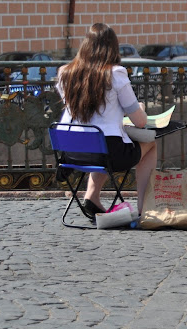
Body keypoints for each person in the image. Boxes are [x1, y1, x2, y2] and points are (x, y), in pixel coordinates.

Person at [56, 23, 157, 219]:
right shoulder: (116, 74)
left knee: (100, 142)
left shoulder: (64, 73)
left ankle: (92, 197)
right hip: (106, 152)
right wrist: (141, 110)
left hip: (71, 151)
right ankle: (144, 208)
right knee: (150, 144)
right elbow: (140, 122)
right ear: (113, 48)